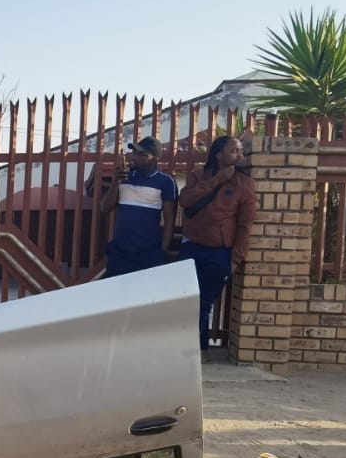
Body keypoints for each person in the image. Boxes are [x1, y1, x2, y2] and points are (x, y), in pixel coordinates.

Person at [178, 135, 257, 353]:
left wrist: (236, 258)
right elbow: (185, 201)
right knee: (185, 301)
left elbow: (245, 225)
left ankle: (194, 351)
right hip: (191, 247)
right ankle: (198, 349)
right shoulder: (197, 176)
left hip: (220, 253)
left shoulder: (245, 184)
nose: (239, 155)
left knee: (203, 302)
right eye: (234, 151)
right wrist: (217, 180)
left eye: (240, 151)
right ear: (218, 154)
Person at [99, 137, 178, 277]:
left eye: (141, 154)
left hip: (148, 253)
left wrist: (163, 249)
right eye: (134, 153)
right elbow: (104, 208)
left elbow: (169, 219)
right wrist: (116, 182)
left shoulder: (166, 182)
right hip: (120, 252)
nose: (134, 157)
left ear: (153, 160)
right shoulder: (124, 177)